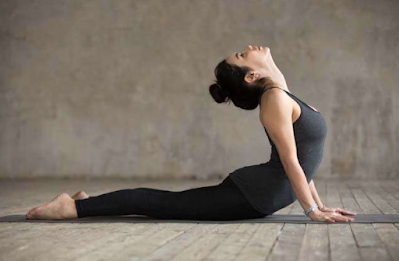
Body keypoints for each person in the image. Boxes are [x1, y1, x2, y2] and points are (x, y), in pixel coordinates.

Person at [25, 45, 356, 222]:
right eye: (242, 54)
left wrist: (321, 205)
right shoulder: (274, 100)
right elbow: (290, 161)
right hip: (251, 195)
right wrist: (312, 211)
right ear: (252, 75)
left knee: (164, 203)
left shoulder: (280, 93)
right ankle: (71, 208)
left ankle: (91, 203)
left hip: (262, 194)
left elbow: (301, 159)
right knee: (163, 204)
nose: (249, 47)